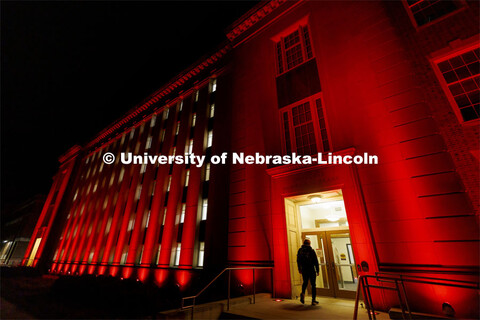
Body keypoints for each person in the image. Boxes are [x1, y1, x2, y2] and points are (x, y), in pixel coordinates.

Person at [297, 238, 320, 305]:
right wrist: (317, 270)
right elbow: (315, 261)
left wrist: (299, 268)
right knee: (313, 285)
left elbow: (298, 260)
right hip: (311, 269)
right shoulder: (311, 250)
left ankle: (303, 293)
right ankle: (313, 300)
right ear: (309, 244)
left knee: (305, 282)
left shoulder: (300, 251)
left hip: (304, 269)